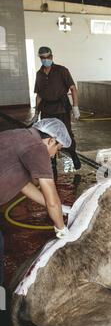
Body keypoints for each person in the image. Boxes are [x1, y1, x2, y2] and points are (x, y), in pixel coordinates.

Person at [0, 118, 71, 296]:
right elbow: (51, 196)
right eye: (58, 149)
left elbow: (24, 185)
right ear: (51, 140)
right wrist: (62, 229)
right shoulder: (37, 148)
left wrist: (61, 208)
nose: (54, 155)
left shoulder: (18, 136)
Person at [32, 46, 81, 174]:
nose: (45, 60)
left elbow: (73, 88)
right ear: (40, 58)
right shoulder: (39, 74)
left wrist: (75, 107)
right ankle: (52, 164)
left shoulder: (62, 71)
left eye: (48, 57)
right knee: (47, 137)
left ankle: (73, 154)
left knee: (67, 134)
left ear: (52, 57)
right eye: (43, 58)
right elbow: (39, 95)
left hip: (61, 109)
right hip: (47, 110)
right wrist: (36, 113)